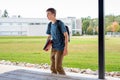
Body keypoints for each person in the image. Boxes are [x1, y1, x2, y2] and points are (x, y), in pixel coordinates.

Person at [46, 8, 68, 75]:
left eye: (48, 14)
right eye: (46, 14)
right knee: (53, 67)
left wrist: (66, 48)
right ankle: (54, 77)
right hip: (54, 46)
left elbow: (66, 36)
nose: (47, 16)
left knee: (58, 66)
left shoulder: (60, 23)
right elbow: (49, 36)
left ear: (53, 14)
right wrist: (47, 45)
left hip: (60, 47)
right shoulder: (49, 24)